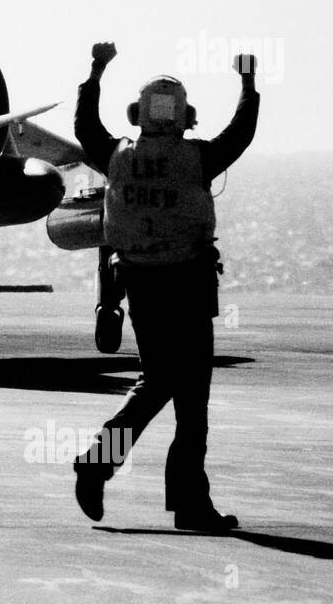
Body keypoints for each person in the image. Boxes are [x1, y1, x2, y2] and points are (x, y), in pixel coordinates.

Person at [72, 42, 260, 532]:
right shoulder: (197, 159)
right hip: (189, 288)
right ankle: (187, 502)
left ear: (137, 115)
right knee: (191, 400)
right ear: (186, 116)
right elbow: (240, 134)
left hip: (141, 286)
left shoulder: (115, 156)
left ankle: (102, 462)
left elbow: (84, 128)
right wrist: (248, 84)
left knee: (156, 382)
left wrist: (95, 72)